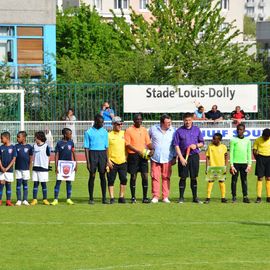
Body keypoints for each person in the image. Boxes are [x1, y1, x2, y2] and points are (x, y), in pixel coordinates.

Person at [174, 112, 204, 203]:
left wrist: (196, 145)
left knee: (193, 177)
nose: (187, 122)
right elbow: (176, 145)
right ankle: (181, 198)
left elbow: (202, 143)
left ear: (192, 120)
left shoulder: (197, 129)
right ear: (183, 120)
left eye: (189, 120)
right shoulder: (179, 131)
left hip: (194, 156)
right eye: (186, 120)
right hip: (183, 157)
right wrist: (181, 158)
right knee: (183, 177)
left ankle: (195, 198)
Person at [125, 113, 153, 203]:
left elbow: (148, 142)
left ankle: (145, 197)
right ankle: (133, 197)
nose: (139, 121)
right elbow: (127, 144)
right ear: (134, 120)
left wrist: (152, 149)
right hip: (133, 156)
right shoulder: (129, 130)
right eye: (137, 119)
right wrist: (138, 151)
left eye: (140, 119)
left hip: (143, 156)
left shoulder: (144, 130)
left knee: (145, 176)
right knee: (133, 176)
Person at [149, 114, 176, 203]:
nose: (169, 124)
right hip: (155, 158)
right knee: (155, 177)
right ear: (161, 122)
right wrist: (148, 150)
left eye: (170, 122)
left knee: (166, 177)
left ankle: (165, 197)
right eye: (167, 122)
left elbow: (175, 145)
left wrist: (175, 157)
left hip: (167, 158)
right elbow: (147, 140)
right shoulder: (153, 129)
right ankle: (155, 196)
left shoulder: (173, 130)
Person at [84, 114, 108, 204]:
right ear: (95, 121)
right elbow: (86, 147)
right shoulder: (88, 132)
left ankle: (104, 198)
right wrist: (88, 162)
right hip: (92, 154)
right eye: (100, 122)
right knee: (92, 176)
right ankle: (91, 198)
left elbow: (106, 147)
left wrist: (107, 160)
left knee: (103, 176)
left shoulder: (105, 132)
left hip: (102, 154)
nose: (102, 124)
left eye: (103, 122)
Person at [51, 128, 77, 206]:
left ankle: (68, 199)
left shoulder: (71, 143)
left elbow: (73, 153)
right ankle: (55, 199)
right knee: (58, 182)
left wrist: (76, 164)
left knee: (69, 182)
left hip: (69, 165)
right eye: (70, 134)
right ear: (65, 134)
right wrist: (56, 166)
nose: (71, 135)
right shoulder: (59, 143)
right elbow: (56, 155)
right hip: (61, 165)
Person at [107, 116, 127, 204]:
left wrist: (127, 158)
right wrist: (108, 161)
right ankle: (112, 197)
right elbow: (105, 149)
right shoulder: (108, 135)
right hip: (112, 161)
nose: (120, 125)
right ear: (113, 124)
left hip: (123, 161)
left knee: (124, 179)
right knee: (111, 180)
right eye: (118, 124)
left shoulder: (125, 134)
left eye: (121, 124)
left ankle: (121, 197)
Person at [230, 124, 252, 203]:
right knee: (234, 180)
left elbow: (249, 153)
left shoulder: (248, 141)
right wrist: (231, 165)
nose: (240, 131)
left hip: (244, 164)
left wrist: (249, 164)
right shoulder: (233, 140)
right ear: (236, 130)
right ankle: (234, 196)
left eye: (241, 129)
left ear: (244, 130)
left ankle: (245, 196)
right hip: (235, 163)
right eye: (238, 129)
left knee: (244, 180)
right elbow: (231, 153)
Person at [204, 133, 228, 204]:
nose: (213, 140)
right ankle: (208, 198)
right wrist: (207, 168)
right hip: (212, 167)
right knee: (210, 182)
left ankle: (223, 198)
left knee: (221, 182)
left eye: (214, 138)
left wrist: (225, 167)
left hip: (221, 168)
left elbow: (226, 157)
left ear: (219, 140)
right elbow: (207, 158)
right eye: (213, 138)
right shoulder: (210, 147)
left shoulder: (223, 147)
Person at [30, 131, 51, 206]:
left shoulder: (46, 146)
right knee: (35, 184)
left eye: (35, 137)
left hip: (43, 168)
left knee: (43, 184)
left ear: (39, 137)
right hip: (35, 168)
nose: (34, 138)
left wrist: (48, 165)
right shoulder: (34, 146)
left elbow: (48, 156)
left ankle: (45, 199)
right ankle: (34, 199)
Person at [15, 131, 33, 206]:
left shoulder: (29, 147)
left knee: (25, 184)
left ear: (24, 138)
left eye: (19, 137)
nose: (17, 138)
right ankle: (19, 200)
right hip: (18, 168)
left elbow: (31, 157)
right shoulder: (16, 146)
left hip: (26, 169)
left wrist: (30, 167)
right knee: (18, 184)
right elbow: (14, 157)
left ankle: (25, 199)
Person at [253, 128, 270, 203]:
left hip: (269, 159)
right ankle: (259, 197)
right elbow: (254, 150)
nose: (266, 138)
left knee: (268, 178)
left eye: (268, 137)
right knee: (260, 178)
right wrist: (258, 158)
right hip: (260, 159)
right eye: (265, 137)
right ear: (262, 135)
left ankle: (268, 197)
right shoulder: (258, 140)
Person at [0, 131, 17, 206]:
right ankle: (0, 200)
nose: (1, 139)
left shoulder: (13, 147)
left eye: (2, 138)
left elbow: (14, 159)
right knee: (1, 185)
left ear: (7, 138)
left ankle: (8, 201)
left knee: (8, 185)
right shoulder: (1, 147)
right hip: (1, 170)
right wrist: (2, 167)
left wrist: (6, 168)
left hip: (9, 170)